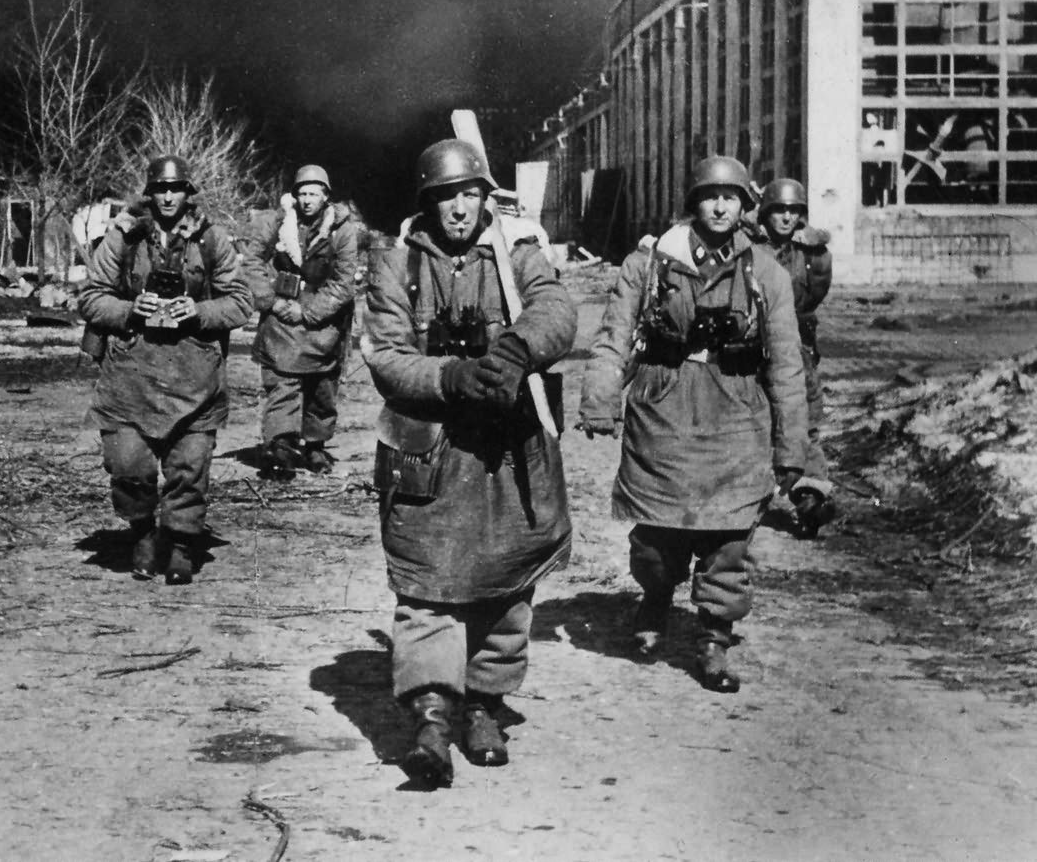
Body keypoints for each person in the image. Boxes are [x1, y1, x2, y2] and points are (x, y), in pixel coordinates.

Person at [363, 138, 575, 789]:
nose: (458, 207)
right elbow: (386, 355)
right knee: (426, 582)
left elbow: (557, 311)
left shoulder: (518, 251)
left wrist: (516, 351)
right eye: (444, 196)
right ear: (426, 203)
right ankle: (432, 714)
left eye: (469, 193)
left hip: (509, 445)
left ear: (486, 196)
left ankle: (483, 702)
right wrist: (451, 375)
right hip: (428, 443)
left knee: (507, 579)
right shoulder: (396, 262)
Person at [579, 156, 808, 693]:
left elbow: (786, 362)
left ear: (746, 206)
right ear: (693, 202)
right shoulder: (651, 263)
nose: (722, 206)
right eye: (711, 195)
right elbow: (614, 334)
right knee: (658, 538)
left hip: (737, 410)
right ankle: (656, 596)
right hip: (664, 404)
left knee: (729, 539)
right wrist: (599, 400)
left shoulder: (766, 272)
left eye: (732, 197)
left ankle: (713, 639)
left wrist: (790, 446)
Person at [79, 155, 253, 585]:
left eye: (176, 189)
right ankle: (141, 531)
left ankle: (178, 542)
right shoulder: (123, 237)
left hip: (193, 372)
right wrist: (128, 309)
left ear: (188, 193)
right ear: (150, 194)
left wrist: (198, 310)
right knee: (127, 463)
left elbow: (241, 303)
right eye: (161, 189)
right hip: (130, 373)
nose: (169, 196)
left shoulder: (212, 239)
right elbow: (91, 297)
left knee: (189, 467)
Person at [243, 164, 359, 476]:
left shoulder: (343, 229)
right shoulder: (277, 221)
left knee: (322, 387)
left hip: (324, 320)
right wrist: (270, 300)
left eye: (314, 193)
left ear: (326, 196)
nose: (307, 200)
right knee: (282, 382)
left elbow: (344, 282)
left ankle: (316, 445)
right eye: (302, 193)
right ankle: (280, 444)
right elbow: (252, 262)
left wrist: (307, 312)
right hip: (282, 315)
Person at [755, 178, 835, 538]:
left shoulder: (813, 253)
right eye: (778, 210)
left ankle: (811, 499)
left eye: (793, 211)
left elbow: (813, 296)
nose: (786, 218)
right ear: (765, 212)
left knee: (803, 419)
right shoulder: (748, 246)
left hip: (797, 347)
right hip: (753, 345)